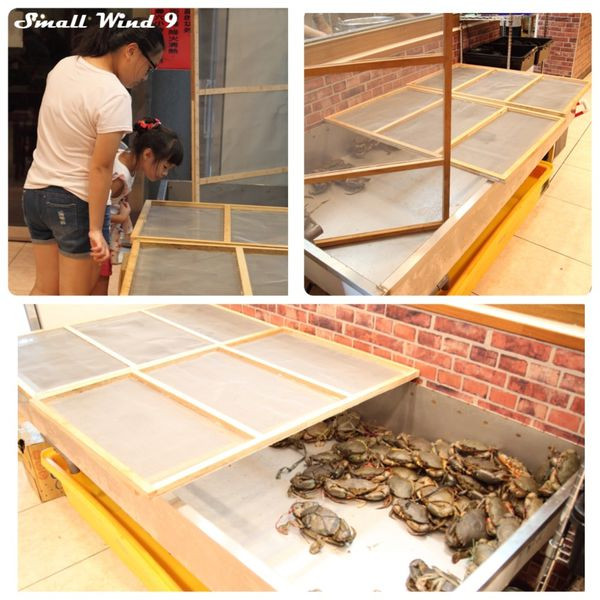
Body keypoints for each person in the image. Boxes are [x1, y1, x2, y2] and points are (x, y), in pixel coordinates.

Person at [21, 19, 164, 295]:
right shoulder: (115, 94)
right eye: (150, 67)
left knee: (44, 289)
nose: (145, 77)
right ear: (131, 50)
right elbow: (101, 167)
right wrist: (96, 229)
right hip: (73, 200)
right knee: (74, 299)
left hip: (34, 192)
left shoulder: (64, 66)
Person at [92, 117, 183, 295]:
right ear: (147, 154)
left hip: (106, 236)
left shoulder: (124, 157)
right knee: (99, 289)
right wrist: (122, 217)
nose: (164, 173)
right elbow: (94, 210)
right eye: (165, 167)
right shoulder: (120, 178)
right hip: (99, 240)